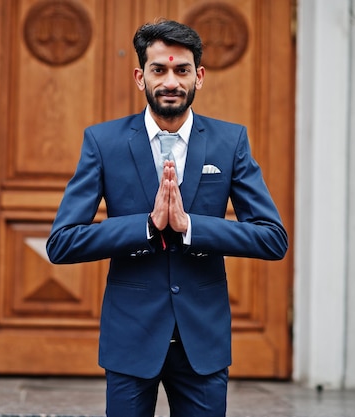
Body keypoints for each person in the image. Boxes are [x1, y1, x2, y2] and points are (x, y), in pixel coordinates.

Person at [46, 19, 288, 417]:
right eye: (159, 70)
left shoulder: (230, 143)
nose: (171, 81)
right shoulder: (103, 143)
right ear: (141, 77)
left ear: (200, 76)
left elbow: (271, 238)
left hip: (203, 344)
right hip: (130, 340)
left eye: (182, 70)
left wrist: (189, 227)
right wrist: (147, 226)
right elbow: (62, 242)